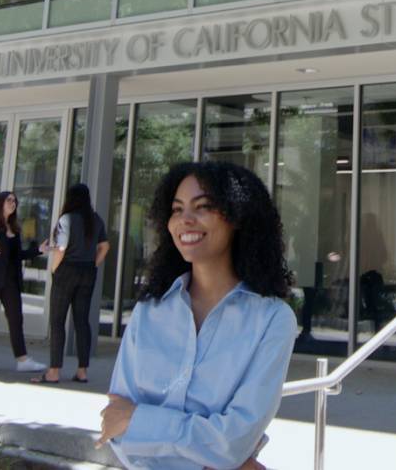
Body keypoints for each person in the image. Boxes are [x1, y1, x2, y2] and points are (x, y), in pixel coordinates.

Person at [98, 161, 295, 469]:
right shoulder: (148, 312)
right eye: (176, 210)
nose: (185, 220)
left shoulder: (272, 319)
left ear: (237, 217)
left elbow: (233, 442)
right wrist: (210, 449)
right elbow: (115, 423)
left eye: (202, 207)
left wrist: (141, 422)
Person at [34, 182, 111, 384]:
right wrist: (93, 263)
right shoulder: (95, 219)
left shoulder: (66, 219)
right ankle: (82, 371)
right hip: (87, 272)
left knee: (58, 321)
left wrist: (54, 269)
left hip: (67, 270)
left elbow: (61, 247)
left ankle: (53, 371)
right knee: (82, 321)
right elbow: (104, 246)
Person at [0, 190, 47, 375]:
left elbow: (17, 256)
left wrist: (38, 250)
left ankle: (22, 359)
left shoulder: (14, 229)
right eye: (9, 200)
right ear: (0, 203)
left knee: (16, 319)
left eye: (15, 201)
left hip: (10, 282)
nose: (13, 204)